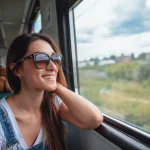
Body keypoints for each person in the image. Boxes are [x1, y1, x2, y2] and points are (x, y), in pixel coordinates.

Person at [0, 33, 103, 150]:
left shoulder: (53, 104)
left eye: (55, 59)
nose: (53, 67)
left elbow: (93, 119)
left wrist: (55, 85)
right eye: (41, 59)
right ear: (17, 69)